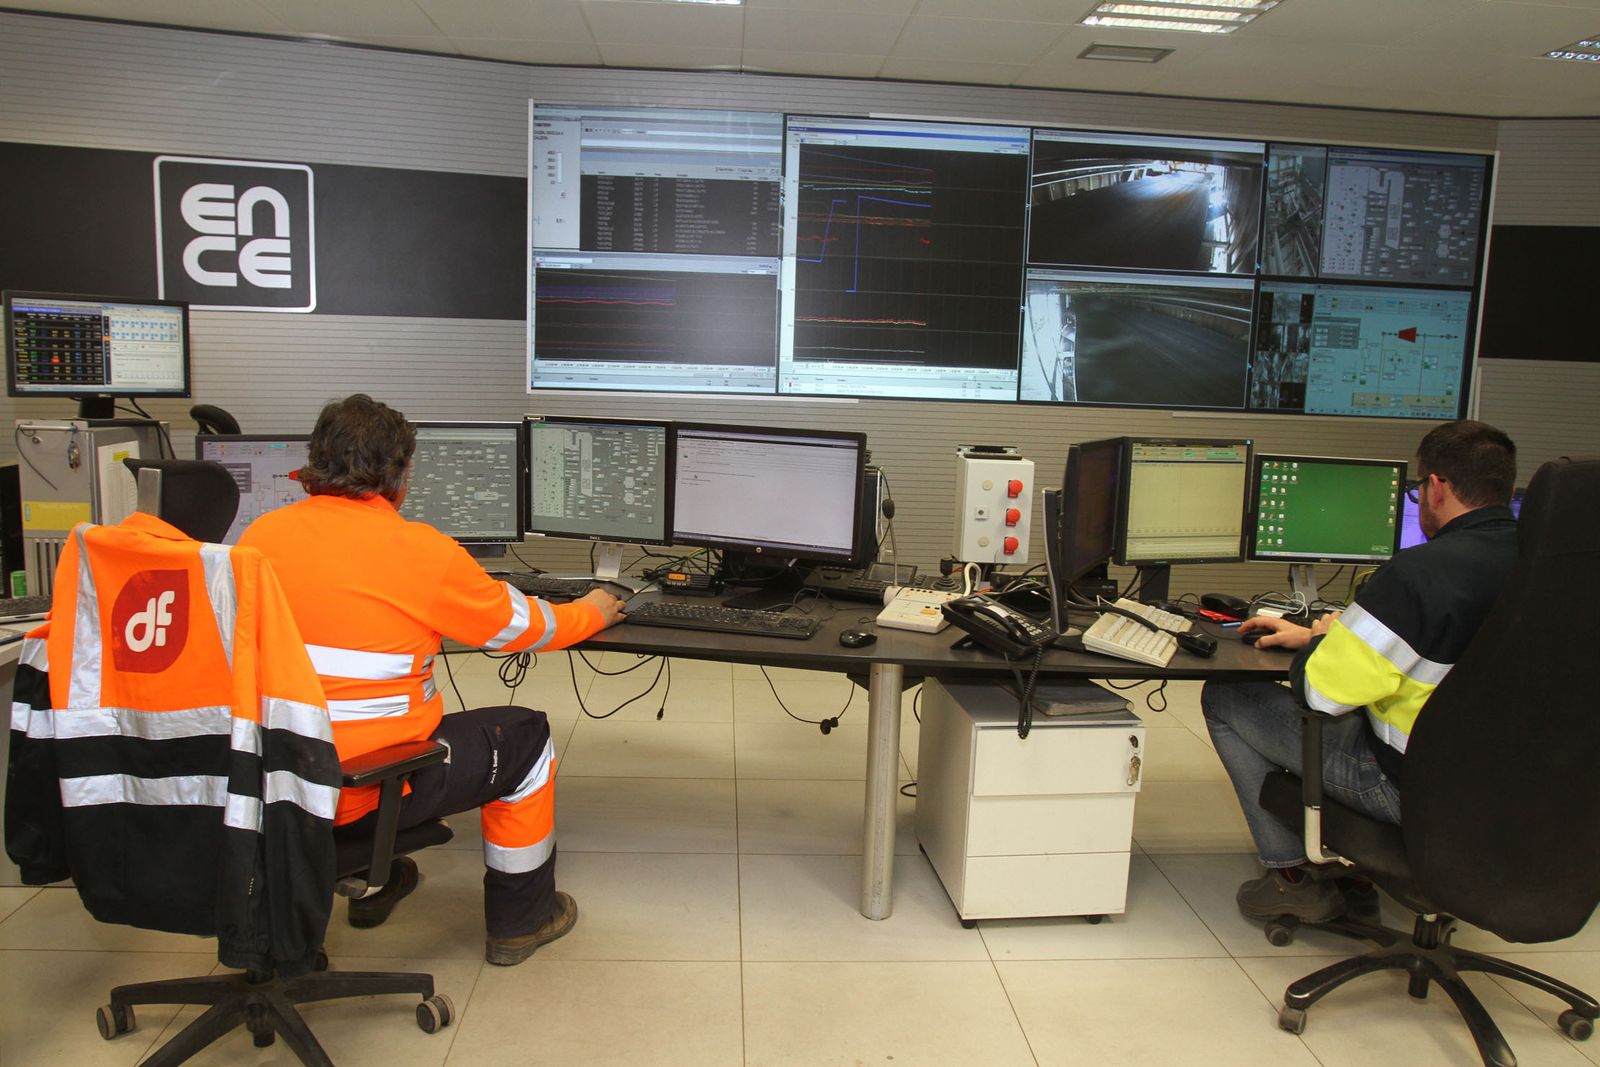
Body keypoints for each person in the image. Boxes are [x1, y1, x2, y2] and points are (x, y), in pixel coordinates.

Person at [239, 394, 627, 966]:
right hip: (363, 788)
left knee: (362, 722)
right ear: (399, 474)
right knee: (525, 739)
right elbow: (525, 628)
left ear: (314, 465)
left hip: (271, 777)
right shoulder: (420, 551)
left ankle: (379, 879)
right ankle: (523, 919)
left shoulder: (258, 539)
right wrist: (596, 607)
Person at [1201, 420, 1520, 924]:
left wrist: (1326, 639)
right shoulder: (1550, 568)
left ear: (1435, 486)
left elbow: (1321, 694)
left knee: (1227, 698)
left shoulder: (1421, 573)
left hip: (1412, 789)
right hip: (1516, 790)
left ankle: (1293, 878)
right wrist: (1317, 633)